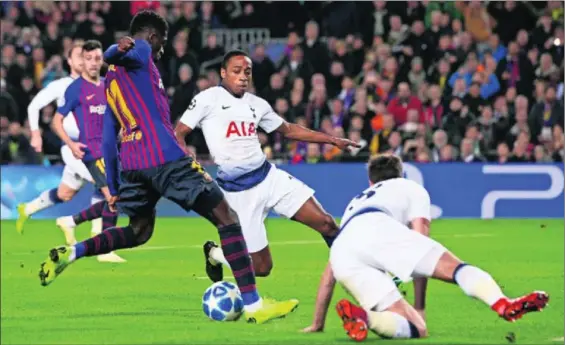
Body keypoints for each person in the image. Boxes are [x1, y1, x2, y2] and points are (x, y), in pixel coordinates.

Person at [38, 10, 297, 325]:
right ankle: (255, 306)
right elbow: (120, 51)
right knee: (227, 219)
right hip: (164, 156)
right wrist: (114, 49)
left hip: (132, 163)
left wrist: (114, 187)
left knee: (139, 231)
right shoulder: (142, 50)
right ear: (153, 36)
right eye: (162, 41)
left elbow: (108, 139)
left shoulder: (110, 85)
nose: (162, 50)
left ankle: (74, 252)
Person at [174, 50, 358, 299]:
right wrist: (189, 162)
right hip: (238, 195)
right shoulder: (207, 99)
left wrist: (332, 140)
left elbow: (289, 130)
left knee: (326, 223)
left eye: (247, 72)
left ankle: (358, 278)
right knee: (262, 268)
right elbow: (179, 133)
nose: (242, 77)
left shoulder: (257, 104)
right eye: (236, 71)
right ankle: (215, 254)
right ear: (223, 73)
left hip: (270, 179)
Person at [309, 154, 549, 341]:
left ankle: (365, 318)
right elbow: (420, 240)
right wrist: (420, 305)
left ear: (370, 181)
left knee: (417, 328)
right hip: (377, 227)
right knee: (456, 269)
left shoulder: (355, 202)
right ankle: (501, 303)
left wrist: (317, 323)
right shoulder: (410, 188)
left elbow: (329, 275)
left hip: (342, 255)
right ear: (401, 174)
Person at [17, 43, 107, 246]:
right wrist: (35, 133)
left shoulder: (97, 84)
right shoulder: (62, 85)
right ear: (69, 61)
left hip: (94, 146)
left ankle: (28, 209)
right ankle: (100, 243)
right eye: (78, 56)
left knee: (64, 194)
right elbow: (34, 106)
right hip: (73, 147)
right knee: (103, 183)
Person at [49, 40, 125, 263]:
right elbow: (56, 120)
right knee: (113, 197)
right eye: (89, 59)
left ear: (102, 61)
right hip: (93, 152)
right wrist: (71, 145)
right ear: (82, 61)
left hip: (112, 150)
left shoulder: (106, 84)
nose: (93, 63)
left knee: (117, 198)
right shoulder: (75, 89)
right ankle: (105, 249)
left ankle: (71, 221)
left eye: (97, 59)